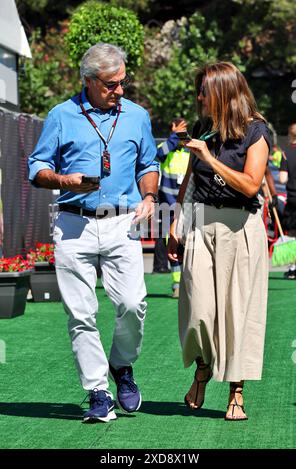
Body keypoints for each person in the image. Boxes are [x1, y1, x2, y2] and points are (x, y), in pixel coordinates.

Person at [28, 42, 159, 423]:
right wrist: (62, 177)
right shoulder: (60, 115)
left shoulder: (136, 115)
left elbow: (148, 162)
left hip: (123, 221)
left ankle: (122, 365)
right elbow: (37, 167)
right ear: (88, 81)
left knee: (134, 305)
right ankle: (97, 391)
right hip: (73, 224)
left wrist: (149, 195)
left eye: (123, 82)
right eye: (111, 84)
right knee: (81, 313)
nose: (119, 90)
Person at [168, 62, 271, 420]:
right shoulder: (202, 127)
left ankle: (236, 392)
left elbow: (251, 184)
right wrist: (176, 222)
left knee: (238, 313)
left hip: (241, 228)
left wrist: (210, 158)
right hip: (200, 223)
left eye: (204, 91)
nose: (199, 98)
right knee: (198, 312)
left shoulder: (257, 130)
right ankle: (203, 367)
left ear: (225, 93)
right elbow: (190, 177)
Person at [152, 118, 190, 298]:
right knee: (172, 243)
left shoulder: (192, 151)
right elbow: (158, 156)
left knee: (191, 244)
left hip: (189, 205)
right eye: (179, 129)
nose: (183, 133)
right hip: (168, 205)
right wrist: (175, 136)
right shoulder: (165, 150)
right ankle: (177, 284)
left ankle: (190, 283)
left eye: (185, 130)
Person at [279, 123, 296, 280]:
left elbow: (282, 178)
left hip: (294, 198)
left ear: (290, 135)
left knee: (292, 234)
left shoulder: (286, 153)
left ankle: (292, 269)